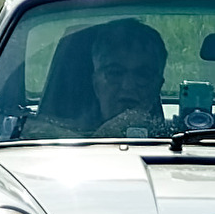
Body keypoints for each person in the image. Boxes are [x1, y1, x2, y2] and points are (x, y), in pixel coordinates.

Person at [22, 18, 170, 139]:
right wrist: (105, 134)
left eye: (142, 75)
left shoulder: (180, 140)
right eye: (115, 73)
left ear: (158, 86)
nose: (128, 85)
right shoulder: (48, 139)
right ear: (96, 84)